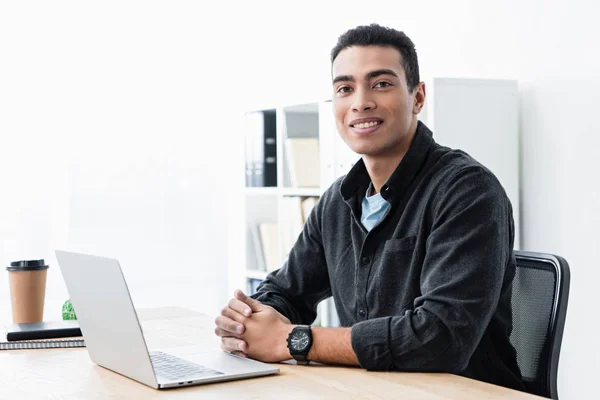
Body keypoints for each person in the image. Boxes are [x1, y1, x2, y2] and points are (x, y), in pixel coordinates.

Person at [214, 23, 525, 391]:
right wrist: (247, 321)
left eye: (381, 84)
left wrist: (293, 340)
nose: (360, 101)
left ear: (418, 97)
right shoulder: (337, 200)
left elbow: (440, 338)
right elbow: (287, 290)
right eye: (345, 88)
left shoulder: (467, 190)